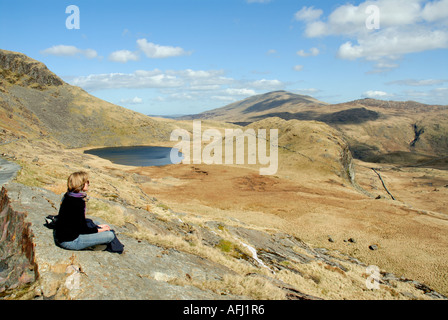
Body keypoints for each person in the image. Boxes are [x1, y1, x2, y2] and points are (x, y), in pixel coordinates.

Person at [54, 171, 115, 251]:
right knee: (110, 235)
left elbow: (77, 222)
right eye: (87, 181)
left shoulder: (68, 195)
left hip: (63, 235)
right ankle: (94, 246)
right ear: (80, 183)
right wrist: (99, 230)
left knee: (96, 223)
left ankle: (94, 240)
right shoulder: (78, 202)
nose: (88, 183)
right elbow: (82, 229)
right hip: (71, 241)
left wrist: (98, 227)